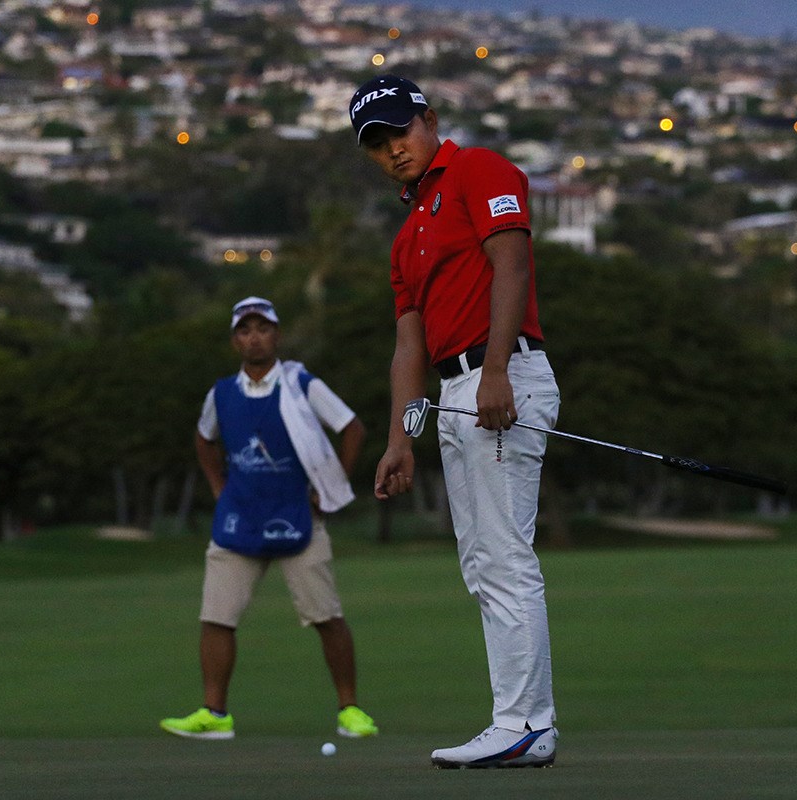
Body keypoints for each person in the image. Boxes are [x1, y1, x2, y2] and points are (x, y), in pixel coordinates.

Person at [349, 75, 561, 768]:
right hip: (452, 392)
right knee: (483, 566)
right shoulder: (407, 234)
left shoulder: (478, 170)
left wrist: (496, 369)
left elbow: (512, 261)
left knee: (503, 559)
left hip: (503, 376)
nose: (393, 151)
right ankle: (518, 722)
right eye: (377, 145)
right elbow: (408, 345)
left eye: (399, 133)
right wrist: (396, 441)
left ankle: (525, 724)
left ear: (429, 120)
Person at [160, 296, 378, 741]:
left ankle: (351, 710)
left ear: (276, 335)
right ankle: (214, 714)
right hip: (239, 517)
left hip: (298, 514)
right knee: (216, 617)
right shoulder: (220, 393)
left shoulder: (301, 383)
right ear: (235, 340)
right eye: (245, 330)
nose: (254, 337)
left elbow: (352, 427)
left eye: (262, 328)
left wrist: (329, 486)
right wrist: (219, 488)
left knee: (326, 616)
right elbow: (204, 441)